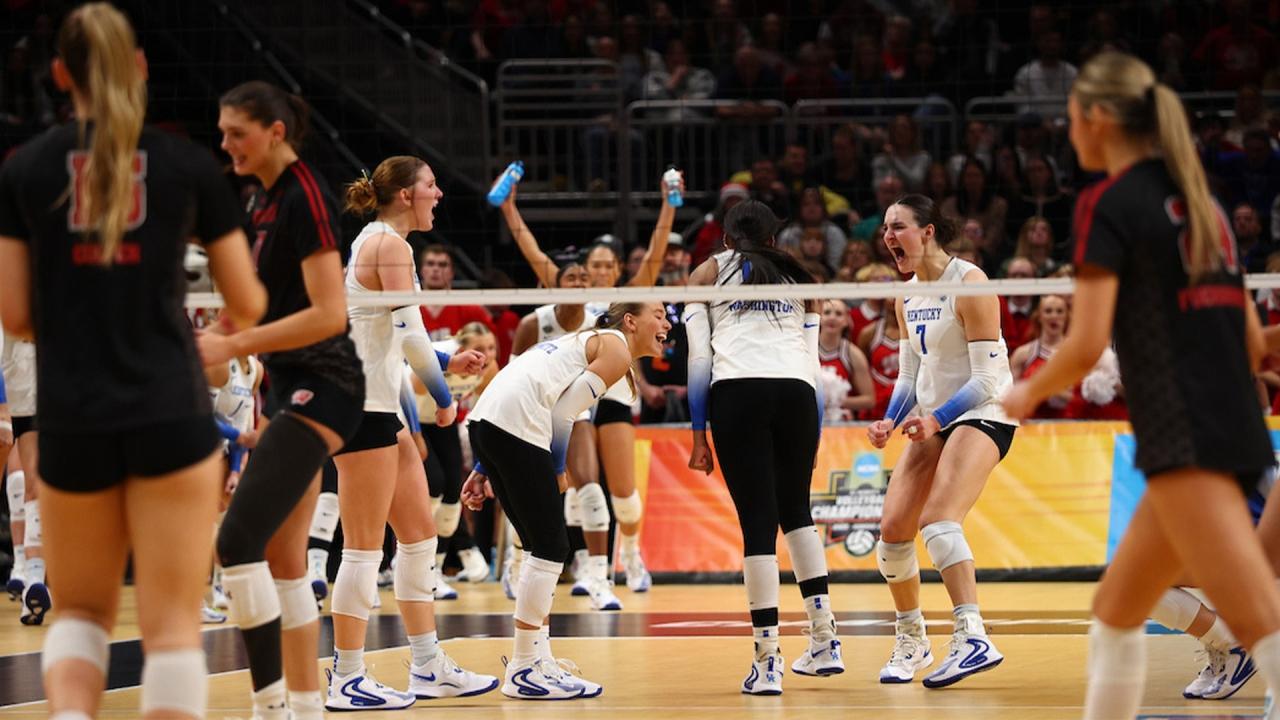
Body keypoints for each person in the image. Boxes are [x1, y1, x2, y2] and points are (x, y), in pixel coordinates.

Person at [0, 5, 267, 717]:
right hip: (171, 410)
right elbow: (247, 300)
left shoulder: (24, 169)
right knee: (173, 624)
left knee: (80, 615)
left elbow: (15, 315)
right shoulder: (189, 166)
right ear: (141, 67)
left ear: (61, 75)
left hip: (72, 416)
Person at [1001, 51, 1280, 720]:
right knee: (1117, 610)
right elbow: (1251, 342)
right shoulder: (1206, 205)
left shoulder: (1107, 203)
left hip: (1187, 434)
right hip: (1231, 425)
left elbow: (1085, 344)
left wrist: (1023, 392)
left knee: (1259, 622)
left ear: (1098, 117)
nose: (1068, 129)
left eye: (1071, 115)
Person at [208, 80, 367, 720]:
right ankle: (304, 707)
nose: (226, 144)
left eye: (237, 133)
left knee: (236, 540)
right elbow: (256, 303)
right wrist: (216, 332)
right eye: (222, 132)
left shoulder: (305, 194)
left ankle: (269, 707)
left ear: (275, 132)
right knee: (282, 560)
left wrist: (233, 342)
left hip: (325, 384)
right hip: (287, 389)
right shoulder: (261, 198)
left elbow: (329, 314)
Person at [322, 156, 496, 710]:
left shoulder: (384, 242)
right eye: (430, 185)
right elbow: (412, 337)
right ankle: (346, 676)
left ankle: (427, 664)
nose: (439, 193)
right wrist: (444, 398)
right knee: (362, 549)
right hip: (360, 408)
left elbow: (398, 337)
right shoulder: (388, 245)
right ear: (404, 195)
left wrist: (448, 358)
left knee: (420, 538)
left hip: (380, 407)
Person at [462, 302, 672, 700]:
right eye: (658, 315)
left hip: (489, 421)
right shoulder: (615, 346)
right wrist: (558, 467)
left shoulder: (590, 342)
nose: (667, 323)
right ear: (630, 321)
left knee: (539, 548)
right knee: (550, 547)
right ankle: (525, 667)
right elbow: (564, 413)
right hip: (516, 425)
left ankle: (537, 660)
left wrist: (484, 465)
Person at [684, 200, 844, 695]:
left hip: (739, 392)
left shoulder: (707, 273)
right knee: (797, 512)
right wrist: (814, 430)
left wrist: (698, 433)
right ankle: (825, 640)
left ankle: (768, 660)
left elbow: (699, 361)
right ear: (774, 239)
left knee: (757, 523)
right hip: (797, 395)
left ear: (726, 238)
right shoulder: (802, 277)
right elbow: (814, 366)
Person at [502, 173, 680, 606]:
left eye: (606, 265)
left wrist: (668, 204)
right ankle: (585, 564)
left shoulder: (626, 298)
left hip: (613, 393)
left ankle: (631, 554)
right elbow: (532, 250)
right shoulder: (569, 291)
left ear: (617, 269)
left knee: (624, 493)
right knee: (581, 483)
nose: (599, 272)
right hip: (571, 395)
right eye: (593, 265)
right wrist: (508, 207)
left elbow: (655, 254)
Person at [867, 194, 1017, 688]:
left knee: (938, 520)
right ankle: (912, 638)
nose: (888, 236)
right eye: (885, 229)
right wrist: (889, 419)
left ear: (928, 231)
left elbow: (986, 380)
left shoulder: (970, 283)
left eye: (898, 226)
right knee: (892, 532)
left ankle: (972, 637)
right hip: (934, 417)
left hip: (983, 412)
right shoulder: (905, 295)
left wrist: (936, 420)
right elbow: (909, 375)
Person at [0, 333, 43, 625]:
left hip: (44, 368)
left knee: (35, 481)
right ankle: (24, 568)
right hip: (17, 365)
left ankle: (32, 576)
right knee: (24, 479)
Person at [1007, 295, 1071, 419]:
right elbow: (1010, 393)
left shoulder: (1076, 353)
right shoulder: (1022, 354)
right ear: (1039, 316)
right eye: (1048, 311)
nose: (1054, 316)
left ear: (1066, 316)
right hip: (1032, 424)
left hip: (1073, 424)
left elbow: (1082, 396)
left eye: (1059, 311)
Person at [817, 300, 875, 421]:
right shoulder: (806, 348)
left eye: (838, 314)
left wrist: (835, 401)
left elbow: (869, 400)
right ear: (819, 317)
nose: (832, 318)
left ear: (846, 320)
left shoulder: (853, 354)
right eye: (827, 313)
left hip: (839, 422)